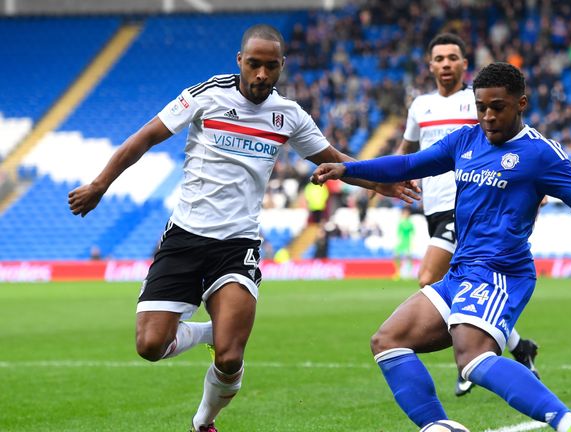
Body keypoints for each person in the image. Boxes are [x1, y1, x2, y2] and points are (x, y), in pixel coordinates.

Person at [68, 24, 419, 432]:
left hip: (238, 244)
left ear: (282, 66)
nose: (261, 76)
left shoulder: (288, 115)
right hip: (185, 235)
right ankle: (207, 332)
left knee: (230, 356)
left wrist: (378, 180)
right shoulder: (206, 95)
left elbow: (332, 159)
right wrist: (99, 185)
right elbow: (144, 138)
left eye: (271, 67)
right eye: (254, 65)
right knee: (150, 346)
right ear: (240, 60)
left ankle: (204, 421)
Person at [311, 62, 571, 432]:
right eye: (481, 106)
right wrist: (349, 169)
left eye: (497, 107)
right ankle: (438, 427)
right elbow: (409, 163)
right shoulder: (465, 140)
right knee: (388, 340)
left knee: (472, 358)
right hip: (461, 271)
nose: (487, 116)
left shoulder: (540, 154)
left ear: (521, 103)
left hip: (501, 272)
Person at [396, 33, 540, 396]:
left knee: (428, 278)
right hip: (433, 207)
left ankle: (473, 355)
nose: (445, 64)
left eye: (452, 57)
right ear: (430, 66)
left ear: (464, 64)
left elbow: (513, 142)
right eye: (439, 58)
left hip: (467, 209)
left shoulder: (477, 102)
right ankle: (516, 346)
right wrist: (385, 178)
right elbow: (407, 152)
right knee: (454, 285)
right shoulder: (420, 107)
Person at [393, 206, 416, 279]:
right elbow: (398, 234)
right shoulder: (401, 223)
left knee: (409, 258)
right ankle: (397, 272)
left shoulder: (409, 223)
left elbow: (413, 233)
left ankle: (410, 273)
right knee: (396, 257)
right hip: (401, 243)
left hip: (408, 243)